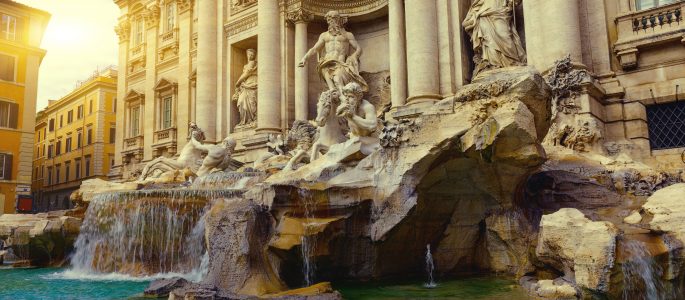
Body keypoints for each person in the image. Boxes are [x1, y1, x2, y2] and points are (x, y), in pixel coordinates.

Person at [298, 10, 368, 93]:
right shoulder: (324, 35)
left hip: (340, 63)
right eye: (329, 20)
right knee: (332, 88)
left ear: (338, 20)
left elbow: (359, 48)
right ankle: (334, 98)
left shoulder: (347, 35)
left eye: (333, 19)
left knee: (337, 80)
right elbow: (314, 49)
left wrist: (353, 56)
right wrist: (304, 58)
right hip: (326, 63)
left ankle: (345, 101)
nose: (331, 21)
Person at [463, 0, 526, 77]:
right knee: (488, 41)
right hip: (484, 14)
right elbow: (467, 20)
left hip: (500, 12)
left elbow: (516, 2)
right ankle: (492, 64)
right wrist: (474, 17)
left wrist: (511, 3)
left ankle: (511, 62)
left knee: (505, 36)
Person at [233, 49, 258, 127]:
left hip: (252, 82)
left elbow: (247, 73)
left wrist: (238, 82)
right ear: (247, 55)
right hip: (246, 84)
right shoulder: (245, 65)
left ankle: (252, 119)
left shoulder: (253, 63)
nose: (250, 56)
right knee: (241, 101)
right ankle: (245, 120)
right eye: (249, 54)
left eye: (252, 55)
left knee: (251, 102)